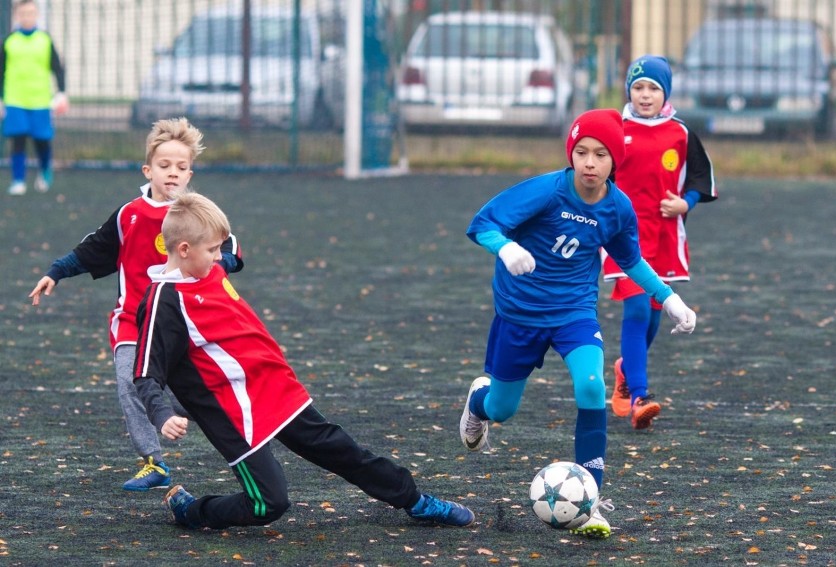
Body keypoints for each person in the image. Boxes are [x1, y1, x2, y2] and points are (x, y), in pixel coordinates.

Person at [133, 192, 475, 530]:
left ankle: (415, 501)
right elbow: (147, 371)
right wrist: (162, 415)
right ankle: (192, 511)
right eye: (210, 251)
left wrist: (224, 251)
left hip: (275, 387)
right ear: (183, 250)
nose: (217, 257)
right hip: (234, 412)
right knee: (268, 503)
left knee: (342, 449)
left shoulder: (207, 264)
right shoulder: (163, 301)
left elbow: (230, 248)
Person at [458, 109, 698, 539]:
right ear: (571, 154)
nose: (590, 162)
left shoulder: (617, 207)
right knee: (502, 409)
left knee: (591, 387)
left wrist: (670, 297)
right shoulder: (547, 191)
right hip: (520, 314)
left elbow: (631, 261)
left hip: (574, 313)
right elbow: (483, 224)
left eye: (601, 154)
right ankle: (479, 402)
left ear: (614, 162)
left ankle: (591, 503)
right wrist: (506, 248)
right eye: (582, 152)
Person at [29, 117, 244, 491]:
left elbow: (232, 250)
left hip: (182, 321)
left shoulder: (197, 214)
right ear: (148, 170)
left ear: (190, 172)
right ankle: (153, 462)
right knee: (130, 381)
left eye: (181, 167)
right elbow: (93, 248)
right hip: (132, 320)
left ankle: (221, 423)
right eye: (164, 166)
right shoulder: (129, 214)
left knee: (192, 388)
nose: (172, 174)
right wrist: (57, 272)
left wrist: (218, 264)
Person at [603, 55, 717, 430]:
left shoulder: (681, 133)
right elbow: (591, 176)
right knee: (636, 311)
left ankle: (625, 370)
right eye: (638, 87)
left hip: (665, 238)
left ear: (665, 91)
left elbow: (701, 180)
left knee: (653, 318)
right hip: (623, 239)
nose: (645, 95)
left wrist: (687, 202)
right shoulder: (615, 130)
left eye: (653, 88)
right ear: (628, 91)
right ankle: (639, 397)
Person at [1, 0, 69, 195]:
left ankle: (45, 172)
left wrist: (62, 93)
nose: (27, 17)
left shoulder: (45, 40)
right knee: (18, 139)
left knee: (42, 140)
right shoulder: (9, 41)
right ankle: (18, 180)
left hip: (40, 100)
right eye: (23, 14)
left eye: (30, 13)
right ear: (17, 16)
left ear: (36, 15)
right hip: (15, 99)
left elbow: (57, 68)